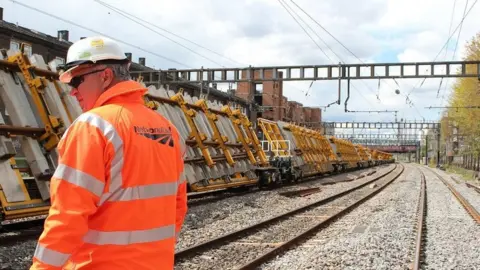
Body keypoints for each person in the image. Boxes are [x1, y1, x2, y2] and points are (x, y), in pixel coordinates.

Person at [30, 36, 188, 269]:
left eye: (76, 81)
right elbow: (178, 205)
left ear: (105, 76)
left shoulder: (93, 127)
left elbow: (67, 216)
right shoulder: (167, 129)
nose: (73, 92)